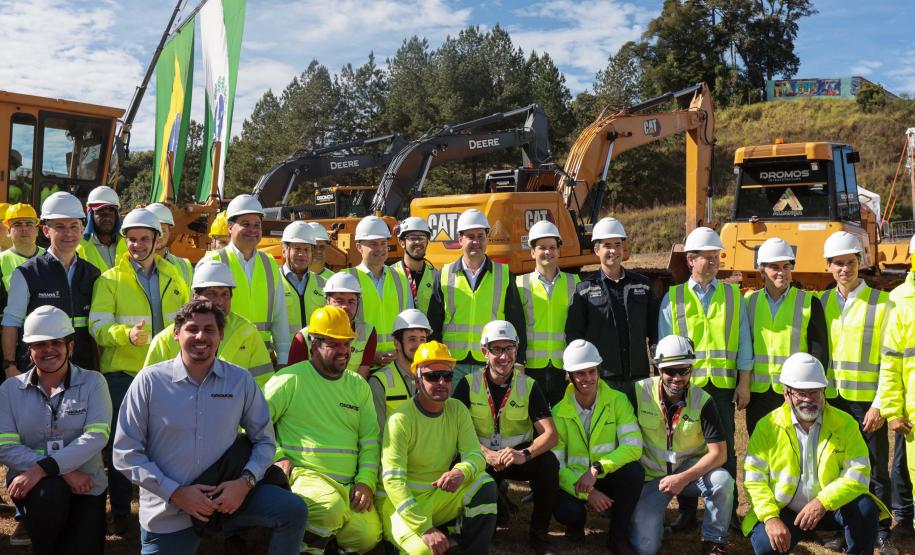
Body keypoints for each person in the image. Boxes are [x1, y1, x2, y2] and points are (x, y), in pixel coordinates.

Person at [113, 300, 308, 554]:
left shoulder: (240, 381)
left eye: (209, 329)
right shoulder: (149, 382)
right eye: (192, 329)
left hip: (230, 499)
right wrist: (176, 493)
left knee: (293, 511)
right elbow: (125, 453)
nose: (201, 336)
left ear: (221, 335)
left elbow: (265, 440)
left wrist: (245, 483)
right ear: (175, 333)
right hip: (170, 511)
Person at [89, 208, 190, 535]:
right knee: (126, 447)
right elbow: (98, 326)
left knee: (165, 446)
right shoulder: (109, 280)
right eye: (132, 239)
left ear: (156, 240)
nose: (138, 244)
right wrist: (126, 336)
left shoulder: (175, 276)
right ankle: (120, 512)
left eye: (144, 238)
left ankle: (166, 507)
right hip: (123, 375)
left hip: (167, 375)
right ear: (125, 240)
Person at [743, 352, 888, 555]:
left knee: (865, 509)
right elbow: (754, 478)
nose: (808, 399)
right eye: (801, 393)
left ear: (824, 391)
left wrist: (823, 502)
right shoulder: (767, 426)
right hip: (786, 509)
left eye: (815, 392)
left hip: (831, 506)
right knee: (767, 546)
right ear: (786, 394)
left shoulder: (845, 423)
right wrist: (770, 517)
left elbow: (859, 473)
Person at [265, 305, 381, 554]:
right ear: (314, 345)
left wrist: (366, 482)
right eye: (334, 344)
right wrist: (277, 457)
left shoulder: (358, 386)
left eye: (347, 344)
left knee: (367, 536)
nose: (344, 351)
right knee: (329, 509)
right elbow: (253, 424)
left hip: (349, 485)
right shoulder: (289, 379)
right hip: (306, 477)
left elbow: (370, 439)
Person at [658, 226, 751, 531]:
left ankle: (729, 511)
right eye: (706, 258)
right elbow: (664, 346)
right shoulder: (673, 298)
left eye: (716, 257)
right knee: (685, 447)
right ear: (690, 260)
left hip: (722, 387)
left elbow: (744, 342)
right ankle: (687, 512)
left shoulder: (732, 295)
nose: (713, 263)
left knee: (725, 448)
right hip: (685, 387)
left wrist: (744, 382)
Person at [0, 306, 111, 554]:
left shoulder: (94, 383)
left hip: (86, 485)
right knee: (49, 494)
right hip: (35, 488)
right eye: (39, 344)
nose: (48, 350)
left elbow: (96, 437)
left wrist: (45, 467)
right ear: (29, 351)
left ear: (69, 347)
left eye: (56, 343)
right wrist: (60, 471)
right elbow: (4, 446)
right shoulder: (9, 390)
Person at [379, 340, 498, 555]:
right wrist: (424, 528)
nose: (441, 382)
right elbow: (393, 482)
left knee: (484, 483)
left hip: (439, 498)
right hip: (404, 505)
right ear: (417, 379)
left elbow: (476, 455)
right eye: (432, 376)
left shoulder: (457, 409)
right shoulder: (400, 419)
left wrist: (461, 471)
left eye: (447, 376)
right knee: (424, 551)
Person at [817, 230, 895, 553]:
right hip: (833, 401)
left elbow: (890, 359)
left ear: (860, 262)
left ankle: (881, 527)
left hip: (867, 402)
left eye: (850, 262)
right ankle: (844, 524)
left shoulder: (880, 303)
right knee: (837, 465)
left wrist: (880, 403)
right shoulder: (822, 302)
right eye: (838, 264)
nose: (844, 269)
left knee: (875, 466)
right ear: (829, 266)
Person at [453, 320, 559, 555]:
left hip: (515, 458)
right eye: (497, 349)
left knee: (549, 464)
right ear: (484, 352)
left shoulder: (529, 386)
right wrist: (486, 454)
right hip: (482, 458)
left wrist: (524, 454)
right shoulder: (467, 384)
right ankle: (481, 517)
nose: (504, 356)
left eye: (509, 348)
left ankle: (539, 534)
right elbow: (456, 433)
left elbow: (551, 435)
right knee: (455, 463)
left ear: (517, 349)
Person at [629, 335, 734, 555]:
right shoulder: (637, 392)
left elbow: (720, 453)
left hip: (689, 474)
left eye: (684, 371)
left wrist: (682, 478)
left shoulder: (703, 400)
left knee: (722, 481)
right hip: (652, 478)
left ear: (691, 370)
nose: (677, 378)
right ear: (658, 370)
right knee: (644, 548)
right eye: (670, 371)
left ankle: (714, 541)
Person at [551, 339, 644, 553]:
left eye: (591, 372)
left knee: (634, 473)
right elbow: (556, 466)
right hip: (574, 481)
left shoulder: (618, 401)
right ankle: (575, 525)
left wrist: (597, 468)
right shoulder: (558, 412)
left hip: (605, 473)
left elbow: (633, 445)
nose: (587, 379)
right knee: (567, 511)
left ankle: (617, 536)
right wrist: (589, 493)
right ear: (570, 376)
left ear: (598, 371)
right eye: (580, 374)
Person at [3, 192, 101, 378]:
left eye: (74, 226)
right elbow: (11, 322)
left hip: (82, 369)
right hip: (37, 370)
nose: (69, 233)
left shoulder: (93, 274)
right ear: (46, 231)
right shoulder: (27, 273)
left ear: (82, 230)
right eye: (60, 227)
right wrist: (9, 366)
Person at [427, 208, 526, 387]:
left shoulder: (503, 274)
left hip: (492, 361)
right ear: (460, 239)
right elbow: (434, 322)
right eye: (470, 236)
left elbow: (516, 320)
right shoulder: (444, 274)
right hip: (453, 363)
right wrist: (434, 360)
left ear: (487, 238)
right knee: (455, 412)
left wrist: (519, 360)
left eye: (481, 236)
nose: (476, 242)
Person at [143, 260, 275, 388]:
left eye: (225, 295)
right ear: (195, 296)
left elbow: (263, 384)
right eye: (212, 294)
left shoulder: (247, 333)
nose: (220, 301)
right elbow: (149, 388)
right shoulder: (165, 340)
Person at [744, 238, 829, 434]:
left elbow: (820, 351)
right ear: (761, 270)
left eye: (786, 266)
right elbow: (745, 345)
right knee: (761, 444)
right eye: (774, 267)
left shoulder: (808, 301)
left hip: (796, 389)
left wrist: (812, 389)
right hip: (759, 392)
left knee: (797, 444)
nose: (781, 272)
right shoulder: (750, 301)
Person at [566, 217, 658, 392]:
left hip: (639, 379)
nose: (613, 250)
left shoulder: (643, 285)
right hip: (602, 381)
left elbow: (654, 330)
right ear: (596, 250)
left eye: (617, 244)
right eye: (607, 245)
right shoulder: (584, 290)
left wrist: (658, 364)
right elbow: (574, 335)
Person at [202, 195, 289, 365]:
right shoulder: (212, 262)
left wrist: (283, 356)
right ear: (230, 227)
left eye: (257, 225)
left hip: (261, 357)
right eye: (246, 224)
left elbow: (279, 314)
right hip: (222, 356)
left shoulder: (269, 263)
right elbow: (198, 315)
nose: (253, 230)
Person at [518, 220, 580, 405]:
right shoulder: (520, 284)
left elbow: (578, 327)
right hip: (531, 367)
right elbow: (517, 327)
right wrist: (518, 363)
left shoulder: (574, 282)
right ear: (532, 252)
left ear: (558, 251)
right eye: (542, 247)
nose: (548, 252)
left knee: (564, 418)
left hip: (564, 367)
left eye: (552, 247)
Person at [347, 215, 412, 361]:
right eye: (373, 244)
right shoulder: (347, 279)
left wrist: (401, 353)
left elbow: (408, 324)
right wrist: (370, 355)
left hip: (395, 362)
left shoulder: (400, 278)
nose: (380, 249)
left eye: (383, 243)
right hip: (357, 363)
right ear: (359, 247)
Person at [287, 272, 378, 376]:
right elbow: (296, 379)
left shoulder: (368, 332)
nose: (345, 307)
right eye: (339, 301)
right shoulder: (303, 337)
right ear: (327, 301)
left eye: (351, 301)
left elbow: (361, 379)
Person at [886, 235, 915, 537]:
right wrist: (893, 409)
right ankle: (904, 515)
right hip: (910, 408)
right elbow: (891, 362)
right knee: (903, 463)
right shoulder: (898, 299)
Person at [368, 308, 430, 431]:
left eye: (422, 339)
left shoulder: (435, 378)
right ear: (397, 343)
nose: (418, 345)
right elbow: (377, 433)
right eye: (412, 339)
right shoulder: (378, 382)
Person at [281, 221, 323, 345]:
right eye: (297, 249)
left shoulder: (324, 284)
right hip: (284, 358)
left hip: (315, 358)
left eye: (306, 249)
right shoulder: (273, 282)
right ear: (284, 251)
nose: (302, 254)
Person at [391, 216, 439, 314]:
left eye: (422, 238)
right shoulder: (390, 274)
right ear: (402, 243)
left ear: (427, 242)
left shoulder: (437, 277)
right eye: (412, 238)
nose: (417, 242)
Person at [77, 185, 126, 273]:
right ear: (90, 215)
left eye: (111, 211)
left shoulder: (129, 245)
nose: (107, 217)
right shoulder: (79, 248)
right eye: (100, 211)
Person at [145, 202, 194, 287]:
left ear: (170, 232)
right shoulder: (130, 265)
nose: (158, 236)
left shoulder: (185, 267)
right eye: (152, 231)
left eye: (162, 230)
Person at [0, 203, 44, 290]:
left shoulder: (51, 258)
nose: (24, 228)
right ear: (8, 231)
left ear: (37, 231)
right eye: (17, 224)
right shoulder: (1, 261)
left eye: (29, 224)